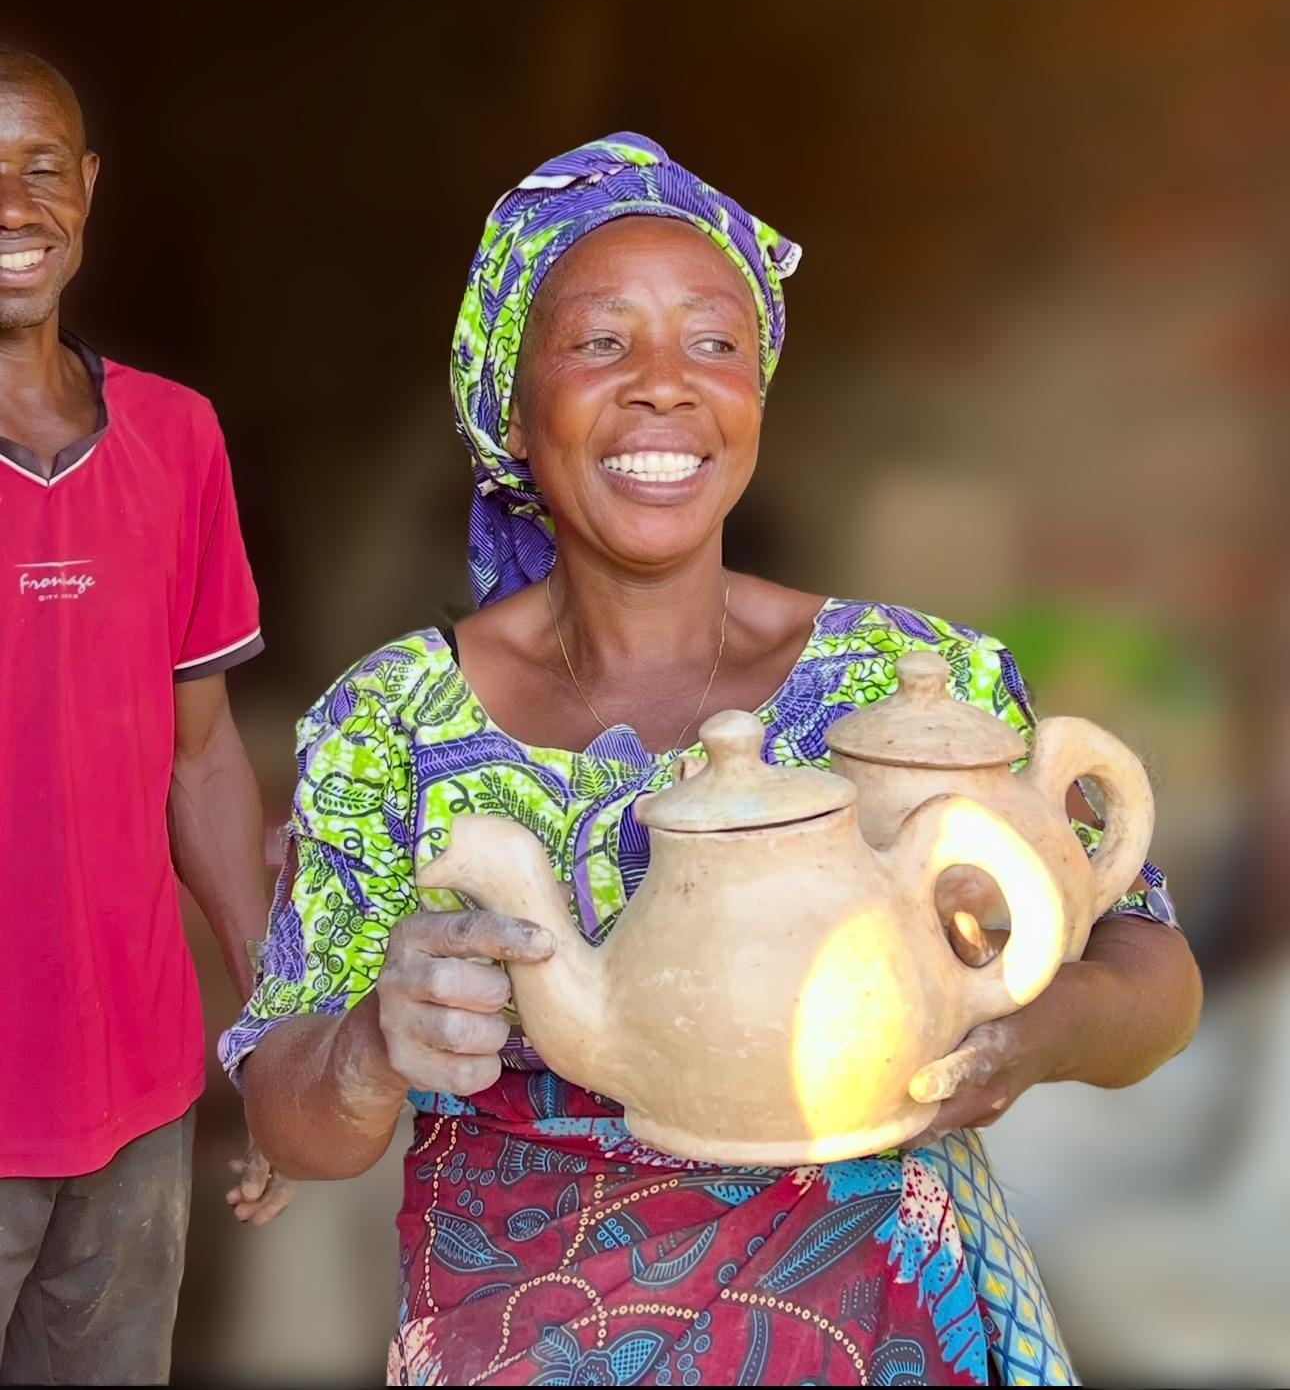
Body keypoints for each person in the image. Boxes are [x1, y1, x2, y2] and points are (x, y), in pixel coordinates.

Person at [225, 133, 1202, 1387]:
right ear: (512, 411)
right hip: (532, 1334)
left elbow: (1152, 965)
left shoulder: (905, 675)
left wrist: (1037, 1033)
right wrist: (370, 1044)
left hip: (898, 1325)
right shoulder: (394, 723)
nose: (664, 385)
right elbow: (290, 1117)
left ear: (754, 397)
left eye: (713, 342)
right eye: (600, 341)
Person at [0, 47, 291, 1386]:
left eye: (41, 167)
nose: (15, 201)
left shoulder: (177, 439)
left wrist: (271, 1026)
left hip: (139, 1101)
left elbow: (204, 753)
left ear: (88, 190)